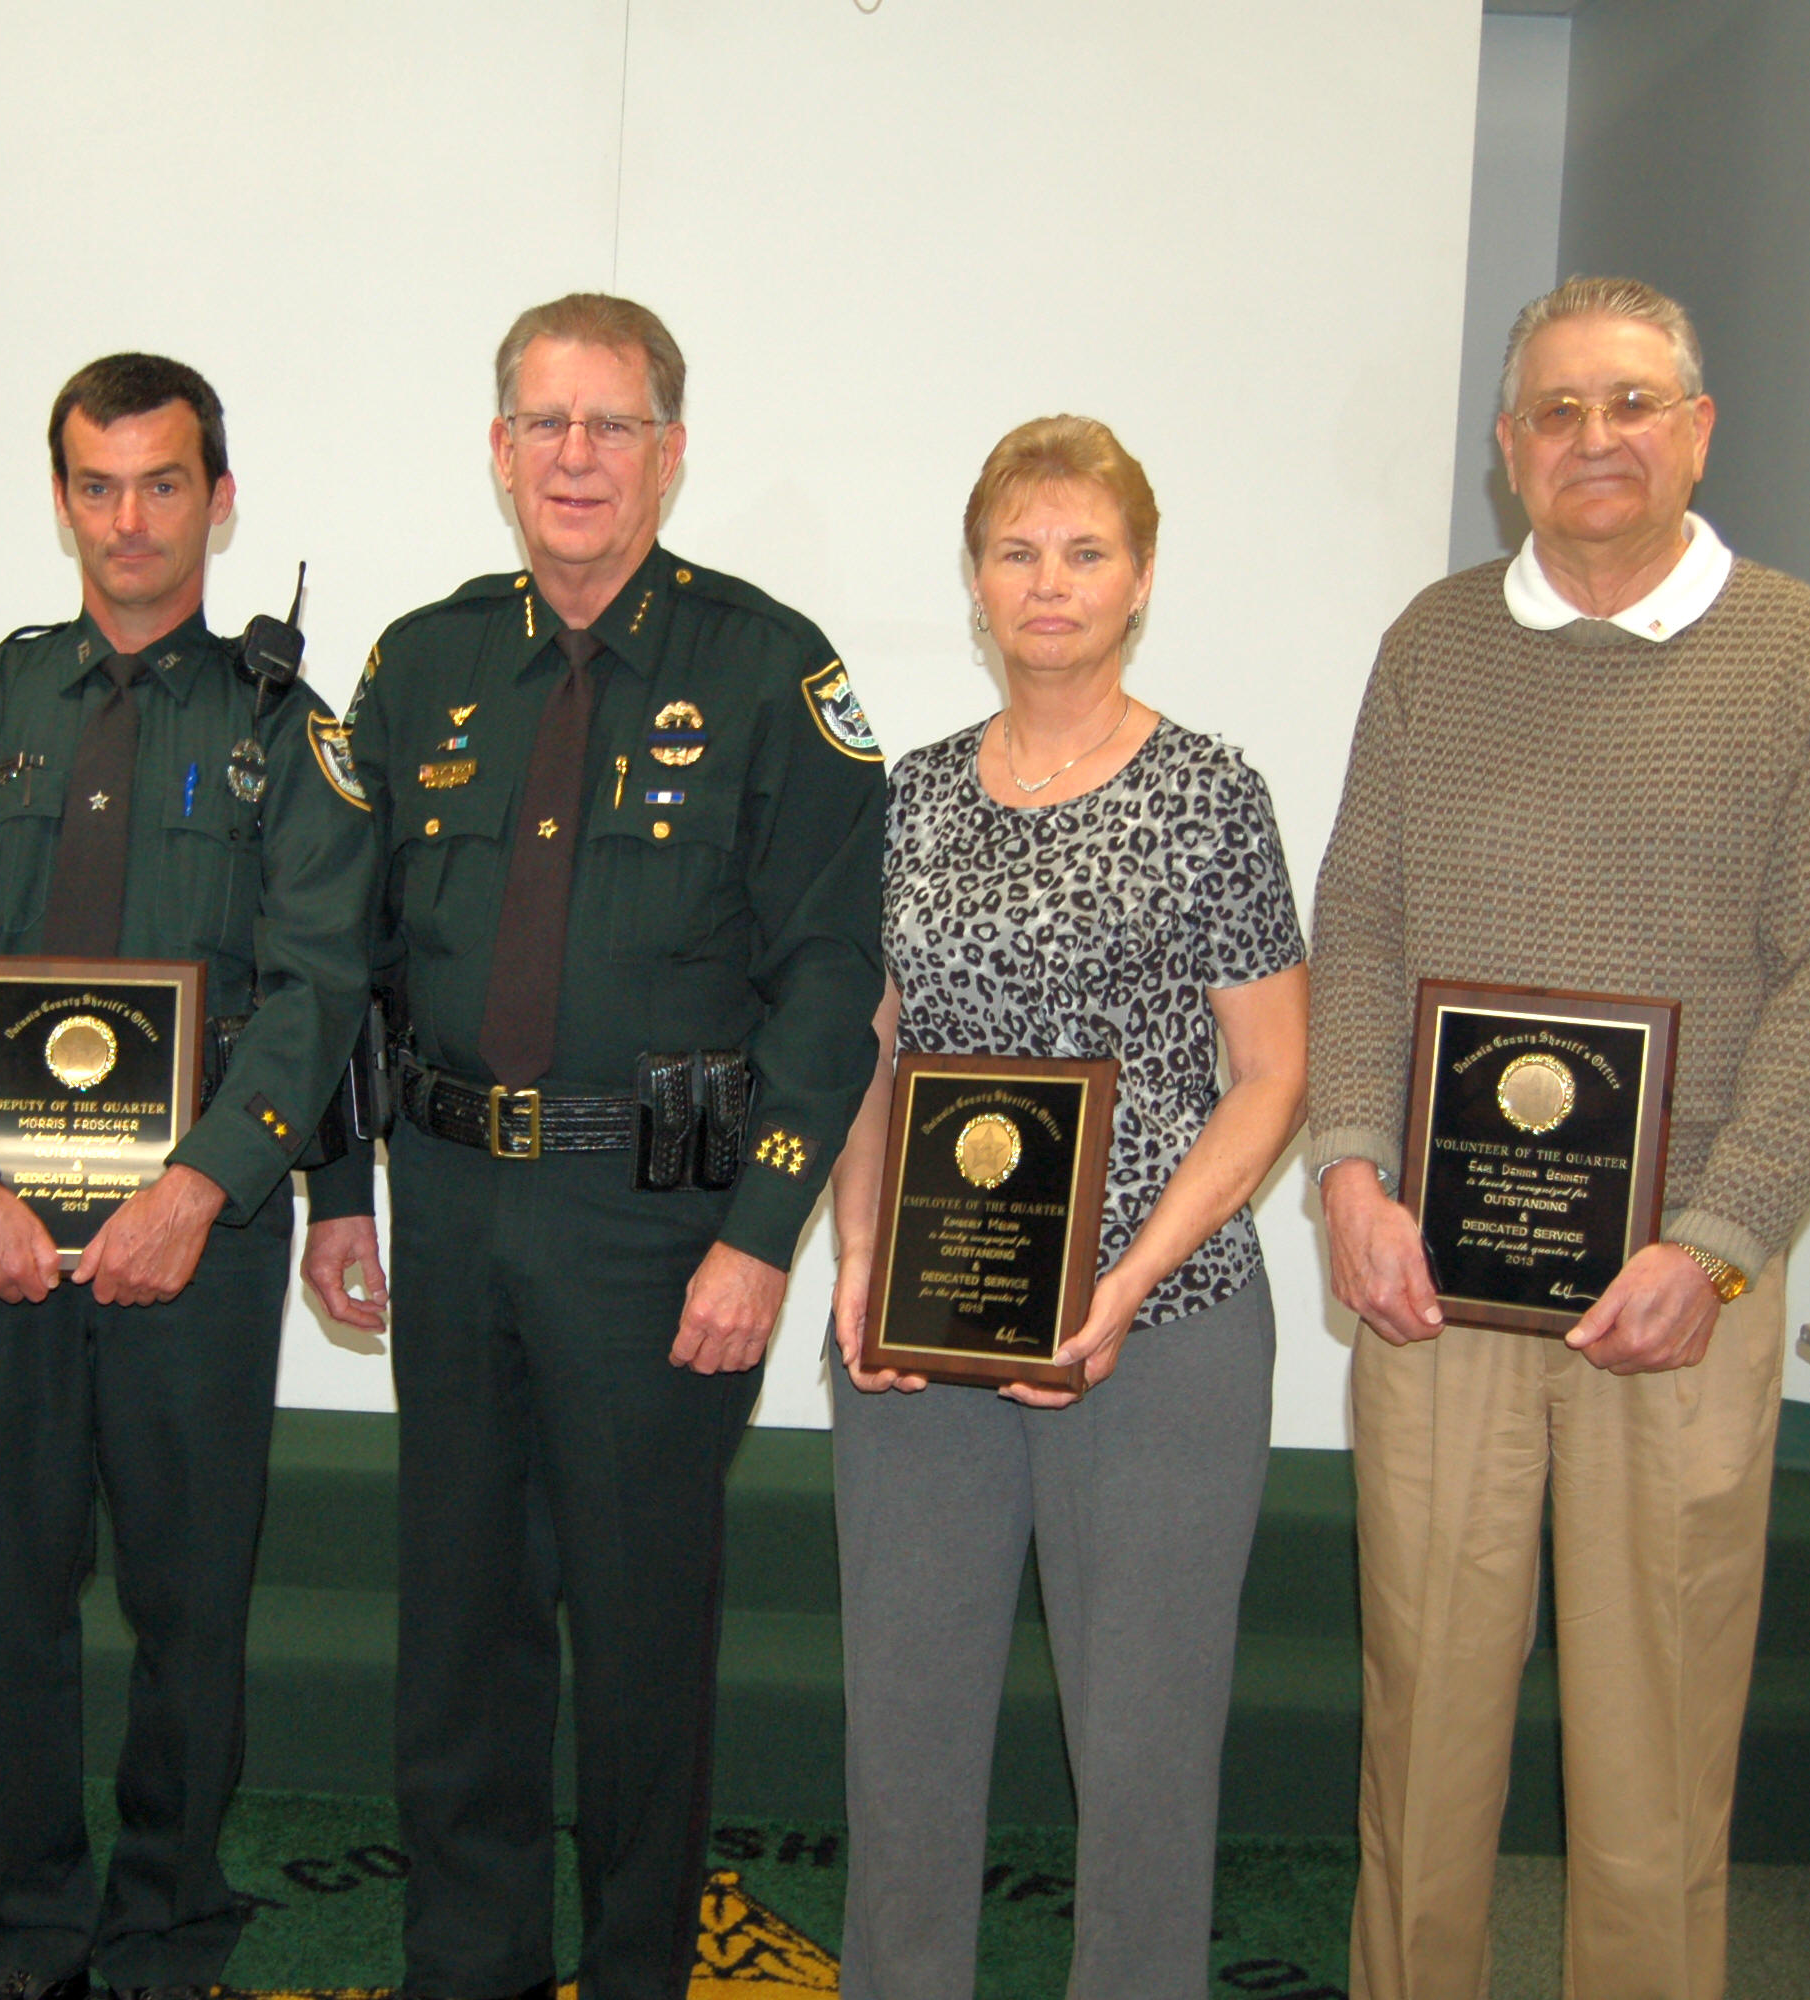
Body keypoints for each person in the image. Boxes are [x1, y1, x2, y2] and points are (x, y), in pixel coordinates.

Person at [296, 293, 885, 2000]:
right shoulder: (422, 664)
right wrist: (346, 1188)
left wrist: (762, 1237)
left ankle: (637, 1971)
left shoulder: (773, 671)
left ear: (672, 457)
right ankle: (467, 1965)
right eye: (544, 425)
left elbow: (832, 978)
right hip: (460, 1198)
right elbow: (355, 959)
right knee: (461, 1629)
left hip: (662, 1222)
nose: (576, 458)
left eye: (612, 426)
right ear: (497, 453)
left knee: (638, 1640)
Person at [1309, 275, 1810, 2000]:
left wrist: (1717, 1242)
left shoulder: (1793, 652)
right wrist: (1346, 1166)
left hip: (1678, 1295)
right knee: (1424, 1738)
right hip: (1437, 1284)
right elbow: (1361, 918)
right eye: (1557, 411)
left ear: (1697, 431)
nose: (1595, 439)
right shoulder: (1432, 642)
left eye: (1632, 403)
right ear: (1508, 451)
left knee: (1654, 1762)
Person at [0, 353, 374, 2000]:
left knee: (187, 1601)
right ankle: (11, 1928)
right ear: (61, 496)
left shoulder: (292, 736)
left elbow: (320, 979)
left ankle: (165, 1924)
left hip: (191, 1248)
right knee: (8, 1596)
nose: (129, 519)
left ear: (218, 502)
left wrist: (204, 1187)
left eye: (163, 484)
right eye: (98, 483)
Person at [820, 416, 1309, 2000]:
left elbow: (1271, 1077)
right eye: (1019, 551)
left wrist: (1123, 1281)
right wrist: (860, 1256)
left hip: (1157, 1334)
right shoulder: (905, 799)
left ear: (1142, 577)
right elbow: (869, 1055)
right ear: (975, 580)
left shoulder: (1212, 792)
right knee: (903, 1735)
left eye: (1085, 550)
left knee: (1147, 1752)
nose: (1051, 581)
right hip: (927, 1340)